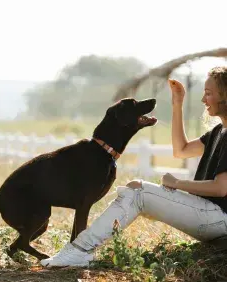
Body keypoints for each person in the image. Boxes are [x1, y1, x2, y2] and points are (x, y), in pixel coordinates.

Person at [40, 66, 227, 267]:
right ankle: (79, 250)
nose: (203, 100)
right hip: (209, 215)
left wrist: (177, 183)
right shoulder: (219, 131)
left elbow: (221, 187)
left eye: (208, 94)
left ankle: (79, 251)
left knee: (138, 192)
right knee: (134, 189)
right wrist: (177, 103)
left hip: (218, 218)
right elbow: (181, 150)